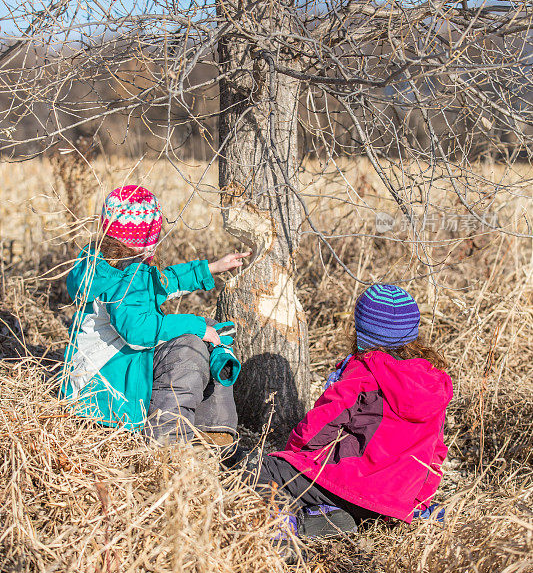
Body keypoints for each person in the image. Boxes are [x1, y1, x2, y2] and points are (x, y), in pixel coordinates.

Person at [252, 284, 453, 537]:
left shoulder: (363, 373)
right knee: (344, 498)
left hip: (353, 486)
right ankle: (340, 519)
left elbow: (321, 424)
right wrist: (417, 502)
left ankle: (286, 527)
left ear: (361, 332)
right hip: (395, 505)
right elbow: (436, 453)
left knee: (261, 469)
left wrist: (294, 457)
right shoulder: (435, 382)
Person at [60, 184, 249, 447]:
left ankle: (212, 429)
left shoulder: (106, 264)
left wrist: (211, 268)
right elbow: (139, 332)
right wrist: (195, 326)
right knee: (189, 347)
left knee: (210, 330)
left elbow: (161, 282)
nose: (154, 243)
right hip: (107, 390)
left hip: (105, 376)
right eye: (152, 235)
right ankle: (168, 441)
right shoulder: (126, 277)